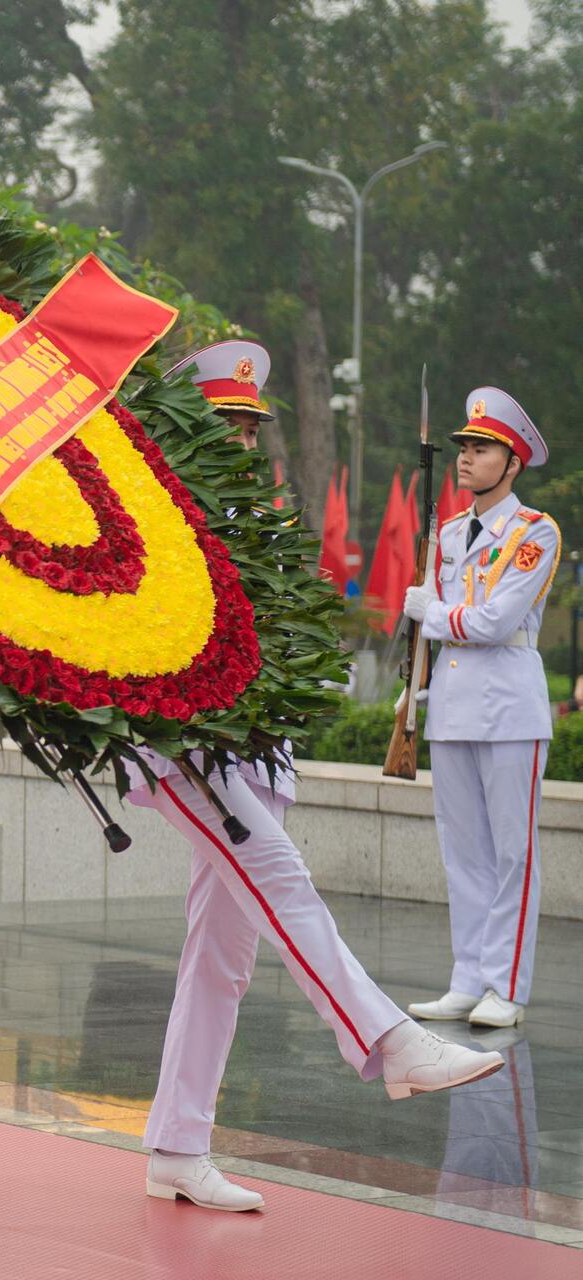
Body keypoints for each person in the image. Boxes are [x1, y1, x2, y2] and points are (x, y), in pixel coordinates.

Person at [129, 343, 505, 1213]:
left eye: (250, 427)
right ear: (183, 426)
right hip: (185, 742)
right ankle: (389, 1041)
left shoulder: (247, 517)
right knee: (285, 885)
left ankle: (177, 1146)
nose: (241, 440)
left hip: (250, 748)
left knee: (221, 958)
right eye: (224, 423)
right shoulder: (159, 511)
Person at [403, 387, 560, 1031]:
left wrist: (431, 613)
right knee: (461, 851)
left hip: (510, 708)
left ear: (512, 462)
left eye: (482, 448)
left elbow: (495, 621)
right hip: (454, 705)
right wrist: (415, 686)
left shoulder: (534, 533)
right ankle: (469, 977)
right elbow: (438, 637)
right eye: (464, 447)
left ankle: (507, 985)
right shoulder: (445, 532)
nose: (466, 458)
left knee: (512, 854)